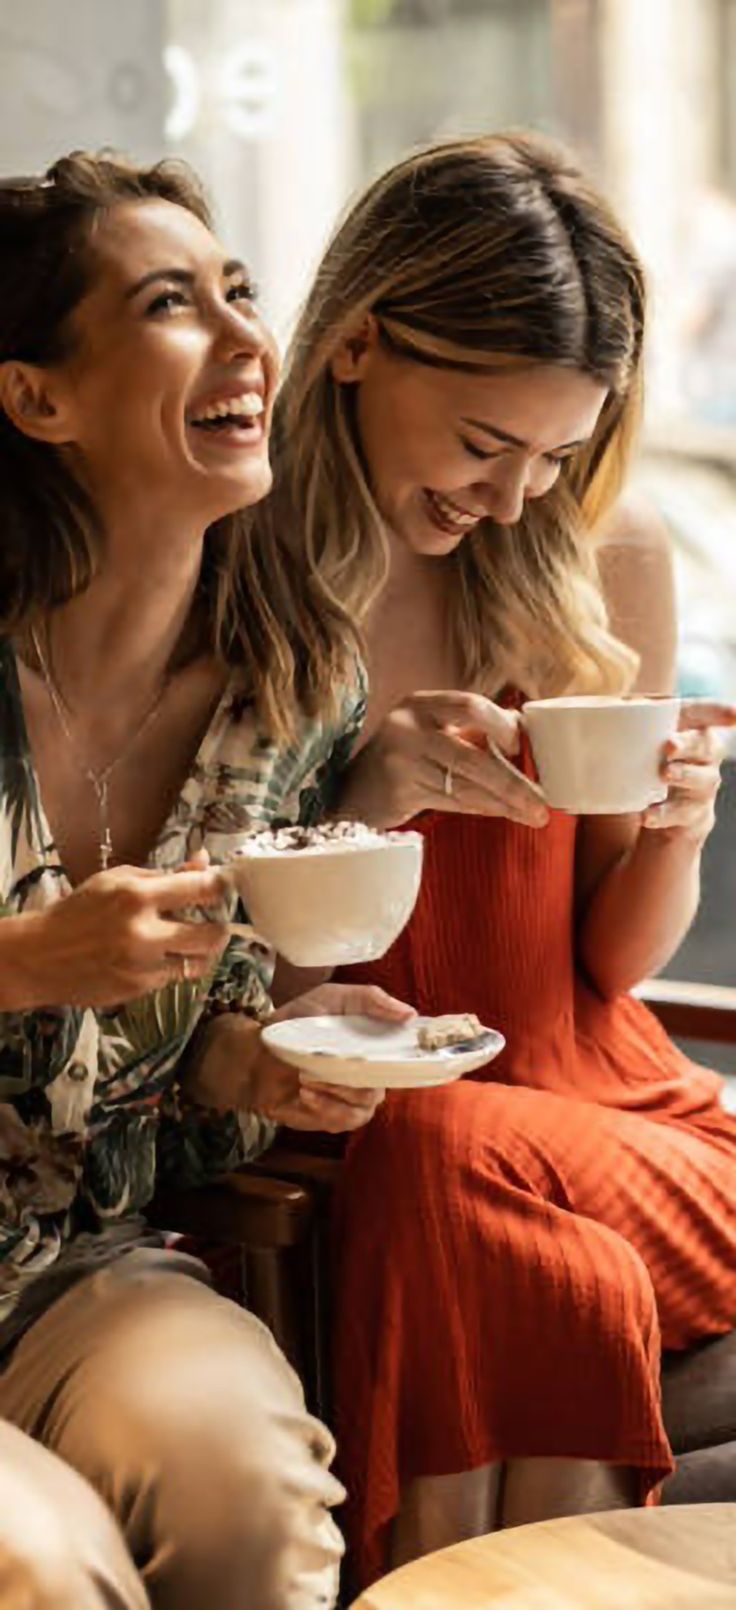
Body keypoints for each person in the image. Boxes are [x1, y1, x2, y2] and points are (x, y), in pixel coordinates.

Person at [263, 131, 736, 1586]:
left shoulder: (610, 559)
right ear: (356, 343)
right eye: (484, 445)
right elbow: (226, 968)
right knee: (434, 1158)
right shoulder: (242, 564)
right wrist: (365, 790)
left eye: (558, 455)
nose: (518, 497)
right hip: (356, 1126)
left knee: (439, 1144)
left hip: (623, 1123)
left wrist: (680, 824)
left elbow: (610, 965)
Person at [0, 153, 412, 1610]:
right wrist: (20, 962)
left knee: (244, 1491)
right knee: (42, 1561)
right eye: (175, 304)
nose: (251, 340)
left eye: (244, 294)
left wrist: (263, 1060)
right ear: (36, 397)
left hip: (60, 1274)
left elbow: (196, 1041)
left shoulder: (290, 695)